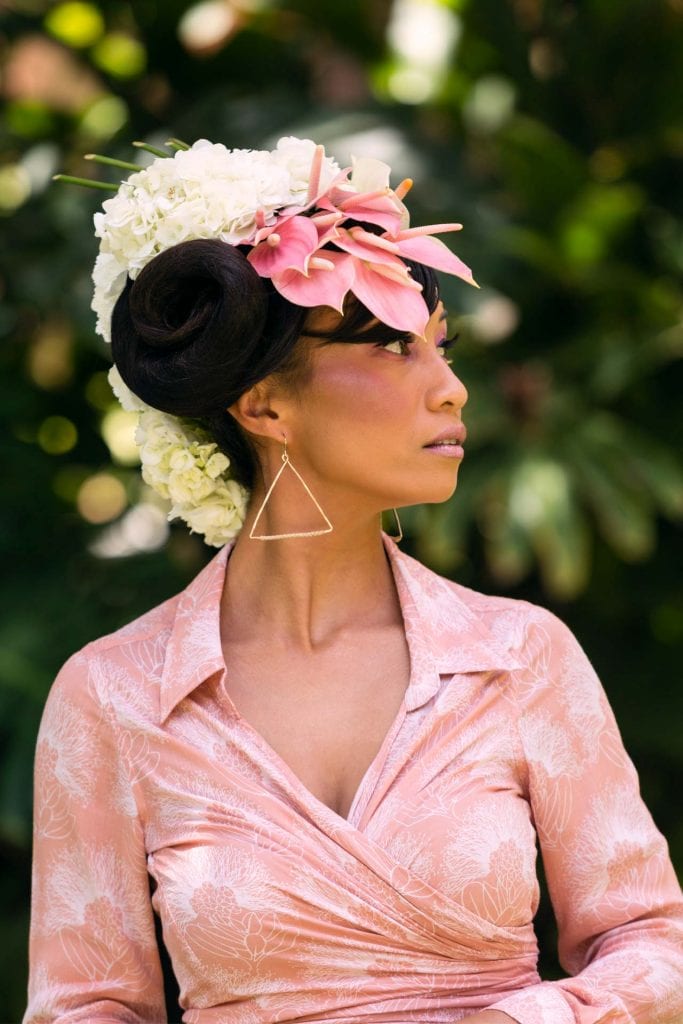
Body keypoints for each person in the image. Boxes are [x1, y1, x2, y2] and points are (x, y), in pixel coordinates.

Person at [24, 136, 683, 1024]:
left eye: (442, 350)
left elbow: (653, 943)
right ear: (264, 404)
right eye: (392, 352)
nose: (449, 389)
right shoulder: (113, 696)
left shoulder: (518, 656)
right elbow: (84, 1006)